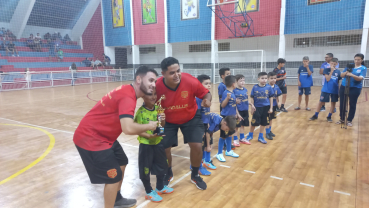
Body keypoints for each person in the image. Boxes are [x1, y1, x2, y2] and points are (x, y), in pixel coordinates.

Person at [73, 66, 159, 208]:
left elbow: (128, 125)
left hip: (104, 137)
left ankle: (117, 199)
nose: (153, 85)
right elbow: (128, 128)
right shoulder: (128, 96)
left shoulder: (127, 91)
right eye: (150, 80)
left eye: (155, 81)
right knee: (113, 177)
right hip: (91, 138)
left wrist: (146, 134)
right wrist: (150, 126)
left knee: (122, 162)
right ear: (138, 79)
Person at [155, 57, 212, 190]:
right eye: (172, 73)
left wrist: (207, 100)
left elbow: (206, 93)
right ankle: (168, 173)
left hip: (191, 117)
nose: (176, 75)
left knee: (197, 145)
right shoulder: (157, 86)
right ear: (163, 74)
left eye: (178, 71)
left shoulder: (190, 80)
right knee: (163, 147)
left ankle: (195, 175)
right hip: (166, 120)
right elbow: (151, 104)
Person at [134, 89, 174, 203]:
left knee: (162, 165)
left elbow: (162, 126)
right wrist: (148, 135)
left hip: (158, 142)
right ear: (143, 97)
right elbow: (136, 129)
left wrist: (163, 120)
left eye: (155, 94)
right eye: (149, 94)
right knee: (145, 168)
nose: (153, 97)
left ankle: (160, 187)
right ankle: (148, 191)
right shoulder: (141, 112)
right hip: (146, 145)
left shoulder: (158, 109)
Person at [337, 54, 367, 127]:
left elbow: (360, 78)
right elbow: (341, 75)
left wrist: (352, 75)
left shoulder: (363, 68)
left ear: (362, 60)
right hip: (344, 86)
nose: (356, 61)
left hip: (355, 88)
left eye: (358, 60)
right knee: (342, 103)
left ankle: (349, 120)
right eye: (355, 59)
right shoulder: (350, 65)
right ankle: (342, 118)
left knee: (352, 104)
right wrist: (346, 72)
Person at [217, 75, 241, 162]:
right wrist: (227, 98)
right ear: (234, 84)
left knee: (230, 134)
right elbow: (222, 105)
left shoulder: (233, 93)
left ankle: (228, 151)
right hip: (226, 118)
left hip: (232, 117)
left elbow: (233, 106)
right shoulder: (225, 93)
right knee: (223, 136)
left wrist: (237, 113)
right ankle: (219, 153)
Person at [310, 58, 341, 122]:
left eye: (334, 64)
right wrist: (331, 71)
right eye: (332, 63)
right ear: (329, 63)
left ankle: (329, 116)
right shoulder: (326, 70)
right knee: (320, 102)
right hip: (326, 89)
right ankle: (316, 115)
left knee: (333, 103)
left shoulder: (338, 72)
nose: (333, 65)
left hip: (334, 90)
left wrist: (339, 91)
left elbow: (338, 82)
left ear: (337, 64)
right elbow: (327, 79)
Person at [246, 72, 273, 144]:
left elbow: (271, 98)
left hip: (266, 107)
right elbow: (252, 97)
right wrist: (252, 107)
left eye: (265, 78)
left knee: (264, 123)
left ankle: (260, 136)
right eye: (262, 78)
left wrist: (271, 108)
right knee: (254, 122)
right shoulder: (255, 87)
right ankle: (250, 135)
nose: (264, 80)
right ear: (258, 79)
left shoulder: (269, 87)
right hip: (257, 107)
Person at [195, 74, 213, 176]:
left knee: (203, 146)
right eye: (206, 84)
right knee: (200, 147)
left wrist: (209, 122)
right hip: (199, 125)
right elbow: (197, 114)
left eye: (210, 83)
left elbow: (207, 111)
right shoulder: (198, 98)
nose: (209, 85)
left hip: (205, 124)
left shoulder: (207, 96)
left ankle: (197, 165)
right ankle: (198, 167)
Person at [233, 74, 252, 145]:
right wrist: (236, 113)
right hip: (238, 111)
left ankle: (242, 138)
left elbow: (246, 100)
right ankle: (235, 139)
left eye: (243, 80)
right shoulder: (234, 91)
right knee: (237, 126)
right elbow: (233, 102)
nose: (243, 82)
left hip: (245, 110)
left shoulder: (245, 90)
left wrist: (252, 105)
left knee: (242, 125)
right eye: (241, 81)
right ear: (236, 82)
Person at [265, 72, 282, 140]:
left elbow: (279, 94)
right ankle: (267, 132)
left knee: (271, 118)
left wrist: (279, 102)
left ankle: (269, 131)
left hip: (274, 105)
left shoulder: (276, 86)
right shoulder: (266, 87)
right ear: (268, 79)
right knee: (267, 119)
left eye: (274, 78)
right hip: (267, 105)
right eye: (271, 78)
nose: (273, 80)